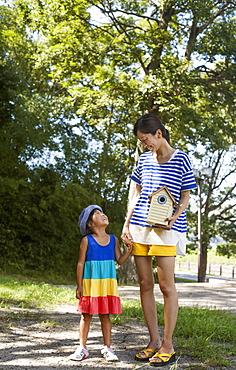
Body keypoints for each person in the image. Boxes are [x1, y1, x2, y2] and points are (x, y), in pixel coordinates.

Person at [121, 113, 197, 367]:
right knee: (145, 284)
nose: (144, 144)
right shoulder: (143, 160)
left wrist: (176, 216)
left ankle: (168, 344)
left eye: (146, 139)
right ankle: (153, 341)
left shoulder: (181, 158)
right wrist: (126, 224)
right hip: (140, 228)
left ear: (158, 134)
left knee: (166, 287)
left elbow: (186, 195)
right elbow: (135, 193)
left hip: (166, 229)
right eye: (141, 141)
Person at [70, 204, 132, 362]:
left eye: (102, 212)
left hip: (106, 284)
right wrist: (79, 285)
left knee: (105, 316)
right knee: (86, 316)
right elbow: (80, 264)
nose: (103, 214)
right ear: (90, 224)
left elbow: (119, 260)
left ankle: (107, 347)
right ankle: (82, 348)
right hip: (90, 284)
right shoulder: (87, 240)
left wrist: (129, 251)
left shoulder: (113, 240)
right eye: (97, 213)